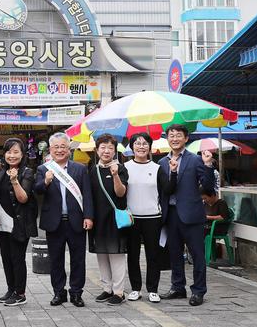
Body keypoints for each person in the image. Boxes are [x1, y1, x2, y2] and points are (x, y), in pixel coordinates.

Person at [158, 124, 215, 307]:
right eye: (171, 135)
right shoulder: (161, 163)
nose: (174, 138)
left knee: (197, 255)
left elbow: (207, 187)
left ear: (186, 138)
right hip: (171, 214)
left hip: (192, 214)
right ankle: (177, 287)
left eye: (178, 135)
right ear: (167, 138)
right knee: (174, 254)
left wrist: (207, 165)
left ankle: (198, 291)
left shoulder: (195, 160)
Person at [34, 132, 93, 308]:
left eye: (63, 147)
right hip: (54, 222)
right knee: (56, 260)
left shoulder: (80, 169)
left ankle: (76, 292)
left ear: (69, 149)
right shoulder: (43, 169)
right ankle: (59, 292)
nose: (59, 150)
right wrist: (45, 181)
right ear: (50, 150)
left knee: (78, 259)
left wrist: (88, 216)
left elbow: (87, 195)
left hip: (76, 221)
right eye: (56, 147)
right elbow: (36, 191)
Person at [124, 132, 176, 304]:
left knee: (153, 255)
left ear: (149, 147)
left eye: (145, 143)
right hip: (131, 217)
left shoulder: (157, 168)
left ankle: (153, 289)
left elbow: (168, 189)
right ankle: (135, 288)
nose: (141, 146)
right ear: (132, 147)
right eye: (137, 143)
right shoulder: (125, 167)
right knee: (133, 255)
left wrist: (173, 172)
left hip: (153, 217)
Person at [0, 138, 38, 307]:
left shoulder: (26, 172)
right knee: (6, 257)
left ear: (22, 154)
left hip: (19, 222)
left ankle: (20, 293)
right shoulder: (0, 170)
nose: (11, 155)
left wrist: (14, 181)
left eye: (16, 152)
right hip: (2, 222)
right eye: (8, 151)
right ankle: (11, 289)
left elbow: (23, 198)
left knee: (17, 258)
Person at [88, 134, 129, 306]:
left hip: (114, 218)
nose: (106, 151)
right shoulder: (92, 170)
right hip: (98, 219)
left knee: (117, 254)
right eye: (103, 148)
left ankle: (119, 292)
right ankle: (107, 288)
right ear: (97, 150)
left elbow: (121, 193)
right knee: (102, 254)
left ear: (115, 150)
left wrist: (115, 175)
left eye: (110, 148)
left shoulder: (120, 168)